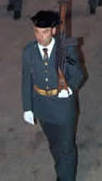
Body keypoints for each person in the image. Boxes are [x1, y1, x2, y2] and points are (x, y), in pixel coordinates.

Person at [22, 10, 84, 181]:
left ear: (54, 31)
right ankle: (62, 173)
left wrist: (69, 89)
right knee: (54, 145)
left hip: (64, 108)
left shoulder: (66, 50)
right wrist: (27, 107)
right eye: (36, 31)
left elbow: (78, 74)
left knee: (66, 148)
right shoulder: (29, 52)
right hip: (42, 107)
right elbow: (26, 80)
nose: (40, 37)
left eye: (44, 32)